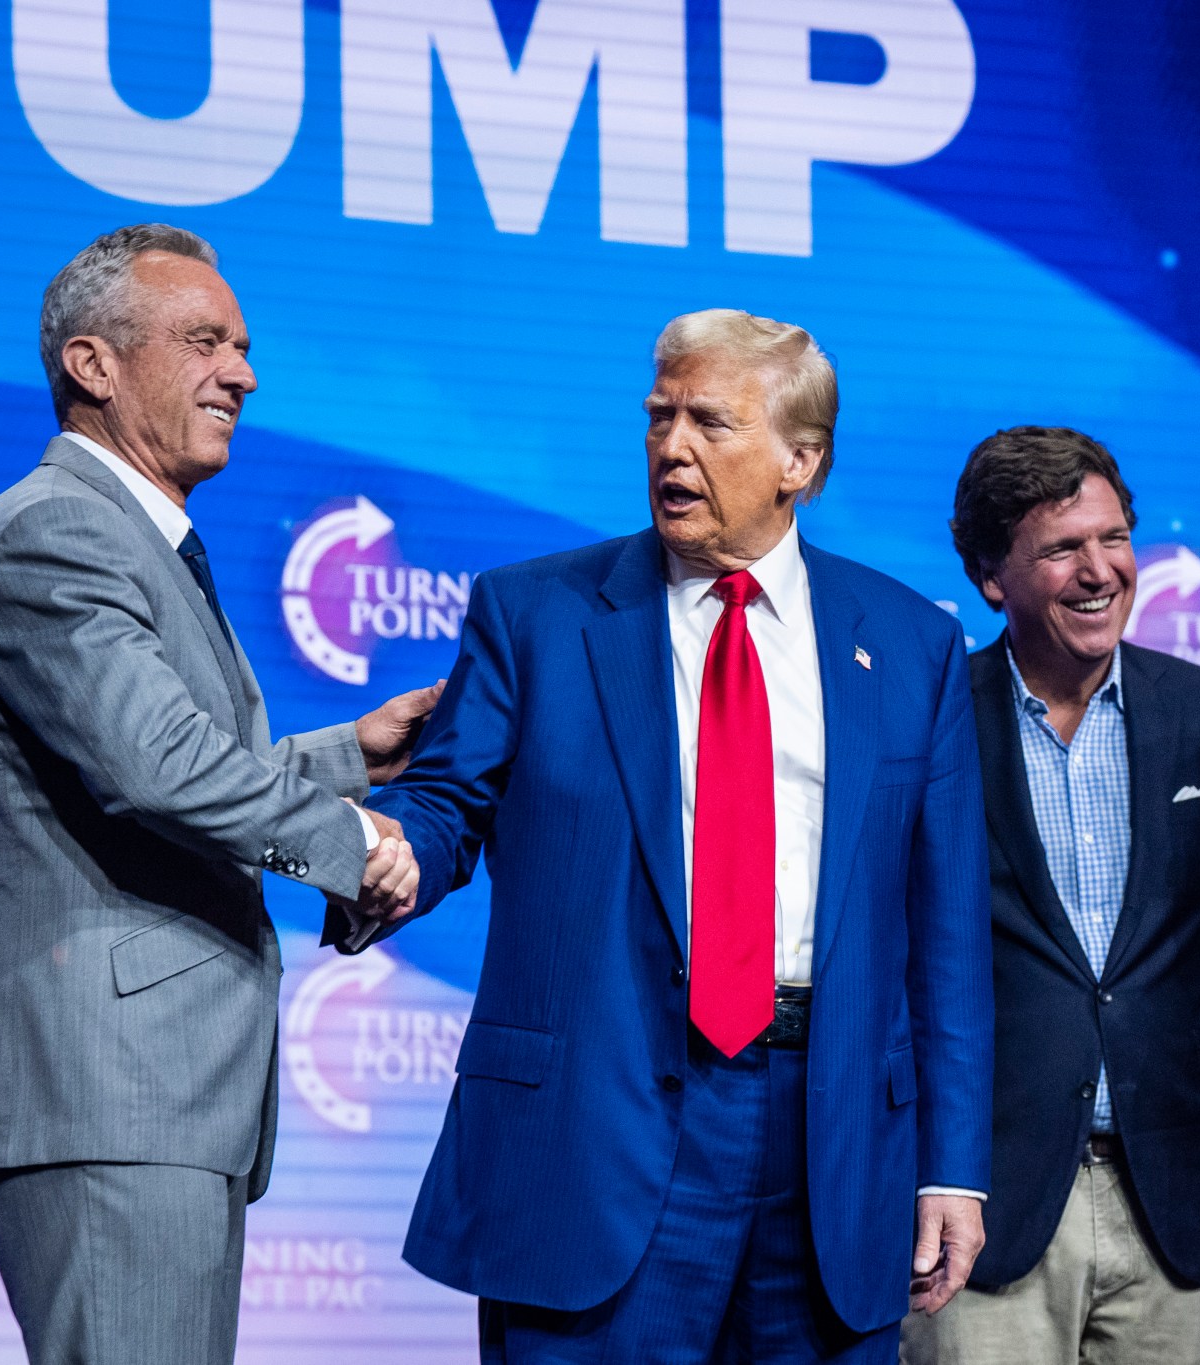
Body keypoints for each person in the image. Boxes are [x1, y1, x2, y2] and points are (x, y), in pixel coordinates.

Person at [353, 309, 993, 1363]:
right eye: (659, 419)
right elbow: (444, 804)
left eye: (708, 423)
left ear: (801, 460)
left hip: (830, 1142)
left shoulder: (911, 645)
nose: (671, 448)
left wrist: (951, 1164)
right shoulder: (534, 615)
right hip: (593, 1129)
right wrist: (385, 853)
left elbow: (947, 933)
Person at [0, 224, 435, 1365]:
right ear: (92, 364)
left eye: (244, 346)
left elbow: (148, 758)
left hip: (159, 1099)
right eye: (204, 340)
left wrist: (352, 755)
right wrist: (352, 841)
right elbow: (157, 766)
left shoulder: (136, 538)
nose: (243, 374)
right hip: (108, 1095)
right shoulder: (55, 531)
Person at [904, 427, 1200, 1365]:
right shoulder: (929, 723)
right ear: (993, 576)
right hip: (984, 1208)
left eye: (1113, 538)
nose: (1100, 570)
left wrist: (1158, 1044)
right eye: (1061, 549)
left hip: (1177, 1203)